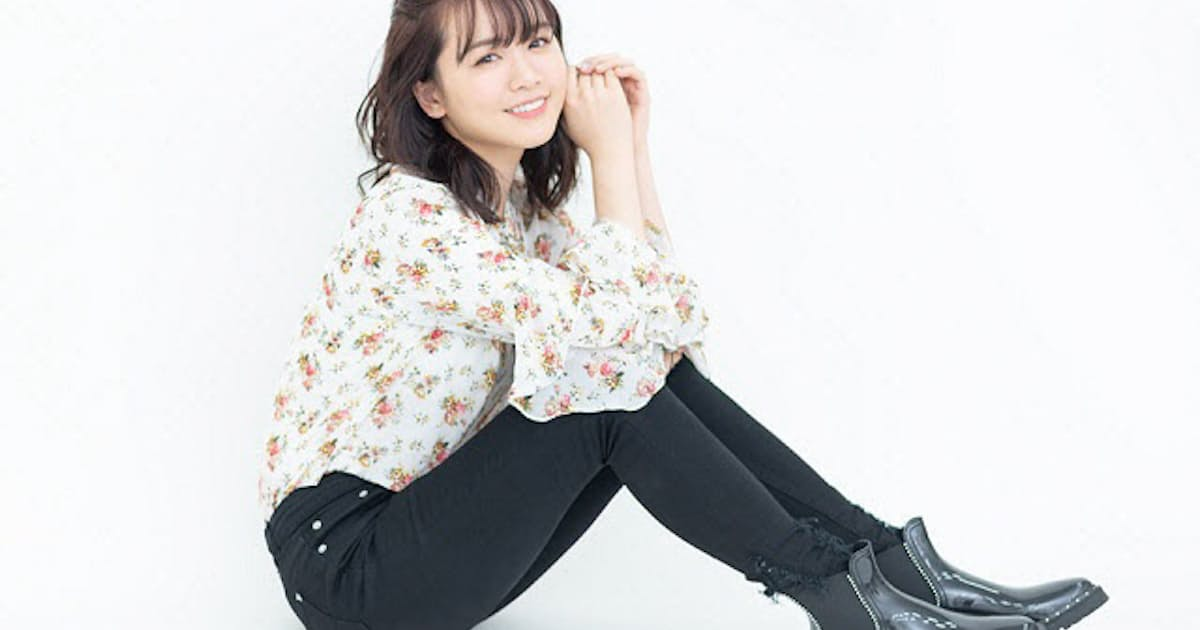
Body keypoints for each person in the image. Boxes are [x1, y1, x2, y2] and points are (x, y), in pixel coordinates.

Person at [259, 1, 1109, 629]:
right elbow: (612, 354)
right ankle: (852, 603)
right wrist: (608, 161)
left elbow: (664, 339)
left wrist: (631, 149)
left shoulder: (520, 222)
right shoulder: (410, 218)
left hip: (422, 546)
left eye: (540, 41)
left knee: (632, 376)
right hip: (351, 566)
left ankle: (892, 575)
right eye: (487, 57)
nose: (527, 74)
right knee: (602, 394)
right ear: (431, 95)